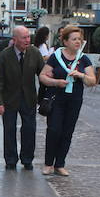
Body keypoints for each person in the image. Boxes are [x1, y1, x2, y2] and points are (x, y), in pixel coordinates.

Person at [38, 24, 96, 176]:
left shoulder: (83, 59)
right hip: (57, 98)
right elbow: (42, 76)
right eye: (74, 39)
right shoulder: (56, 57)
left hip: (74, 100)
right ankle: (48, 163)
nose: (78, 42)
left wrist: (81, 75)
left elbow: (92, 81)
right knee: (54, 130)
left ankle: (60, 164)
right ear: (65, 41)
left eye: (79, 39)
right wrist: (56, 82)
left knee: (67, 132)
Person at [0, 26, 43, 170]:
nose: (27, 40)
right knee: (9, 129)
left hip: (29, 98)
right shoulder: (5, 55)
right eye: (24, 37)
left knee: (29, 129)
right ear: (14, 40)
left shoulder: (34, 53)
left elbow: (43, 73)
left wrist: (44, 97)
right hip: (10, 98)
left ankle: (27, 159)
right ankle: (10, 159)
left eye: (28, 37)